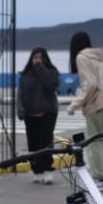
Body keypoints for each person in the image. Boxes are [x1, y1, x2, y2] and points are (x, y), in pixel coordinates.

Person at [66, 31, 103, 190]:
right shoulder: (102, 58)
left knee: (94, 141)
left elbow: (90, 84)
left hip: (95, 104)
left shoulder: (82, 57)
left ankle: (98, 178)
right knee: (102, 140)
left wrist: (75, 104)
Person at [16, 47, 60, 184]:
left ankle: (47, 170)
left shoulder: (51, 73)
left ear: (45, 59)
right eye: (35, 58)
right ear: (31, 59)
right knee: (33, 144)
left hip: (48, 113)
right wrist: (21, 110)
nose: (38, 60)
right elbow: (20, 94)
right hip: (30, 114)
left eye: (40, 58)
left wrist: (41, 69)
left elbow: (52, 86)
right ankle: (36, 171)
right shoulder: (25, 75)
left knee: (45, 143)